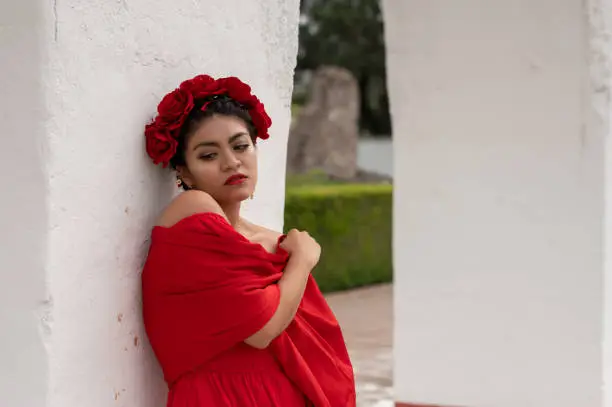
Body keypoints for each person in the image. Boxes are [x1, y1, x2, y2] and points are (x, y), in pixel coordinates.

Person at [141, 74, 356, 407]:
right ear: (184, 172)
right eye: (209, 155)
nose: (231, 162)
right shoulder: (192, 210)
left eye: (241, 146)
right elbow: (263, 330)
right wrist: (301, 260)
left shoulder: (267, 238)